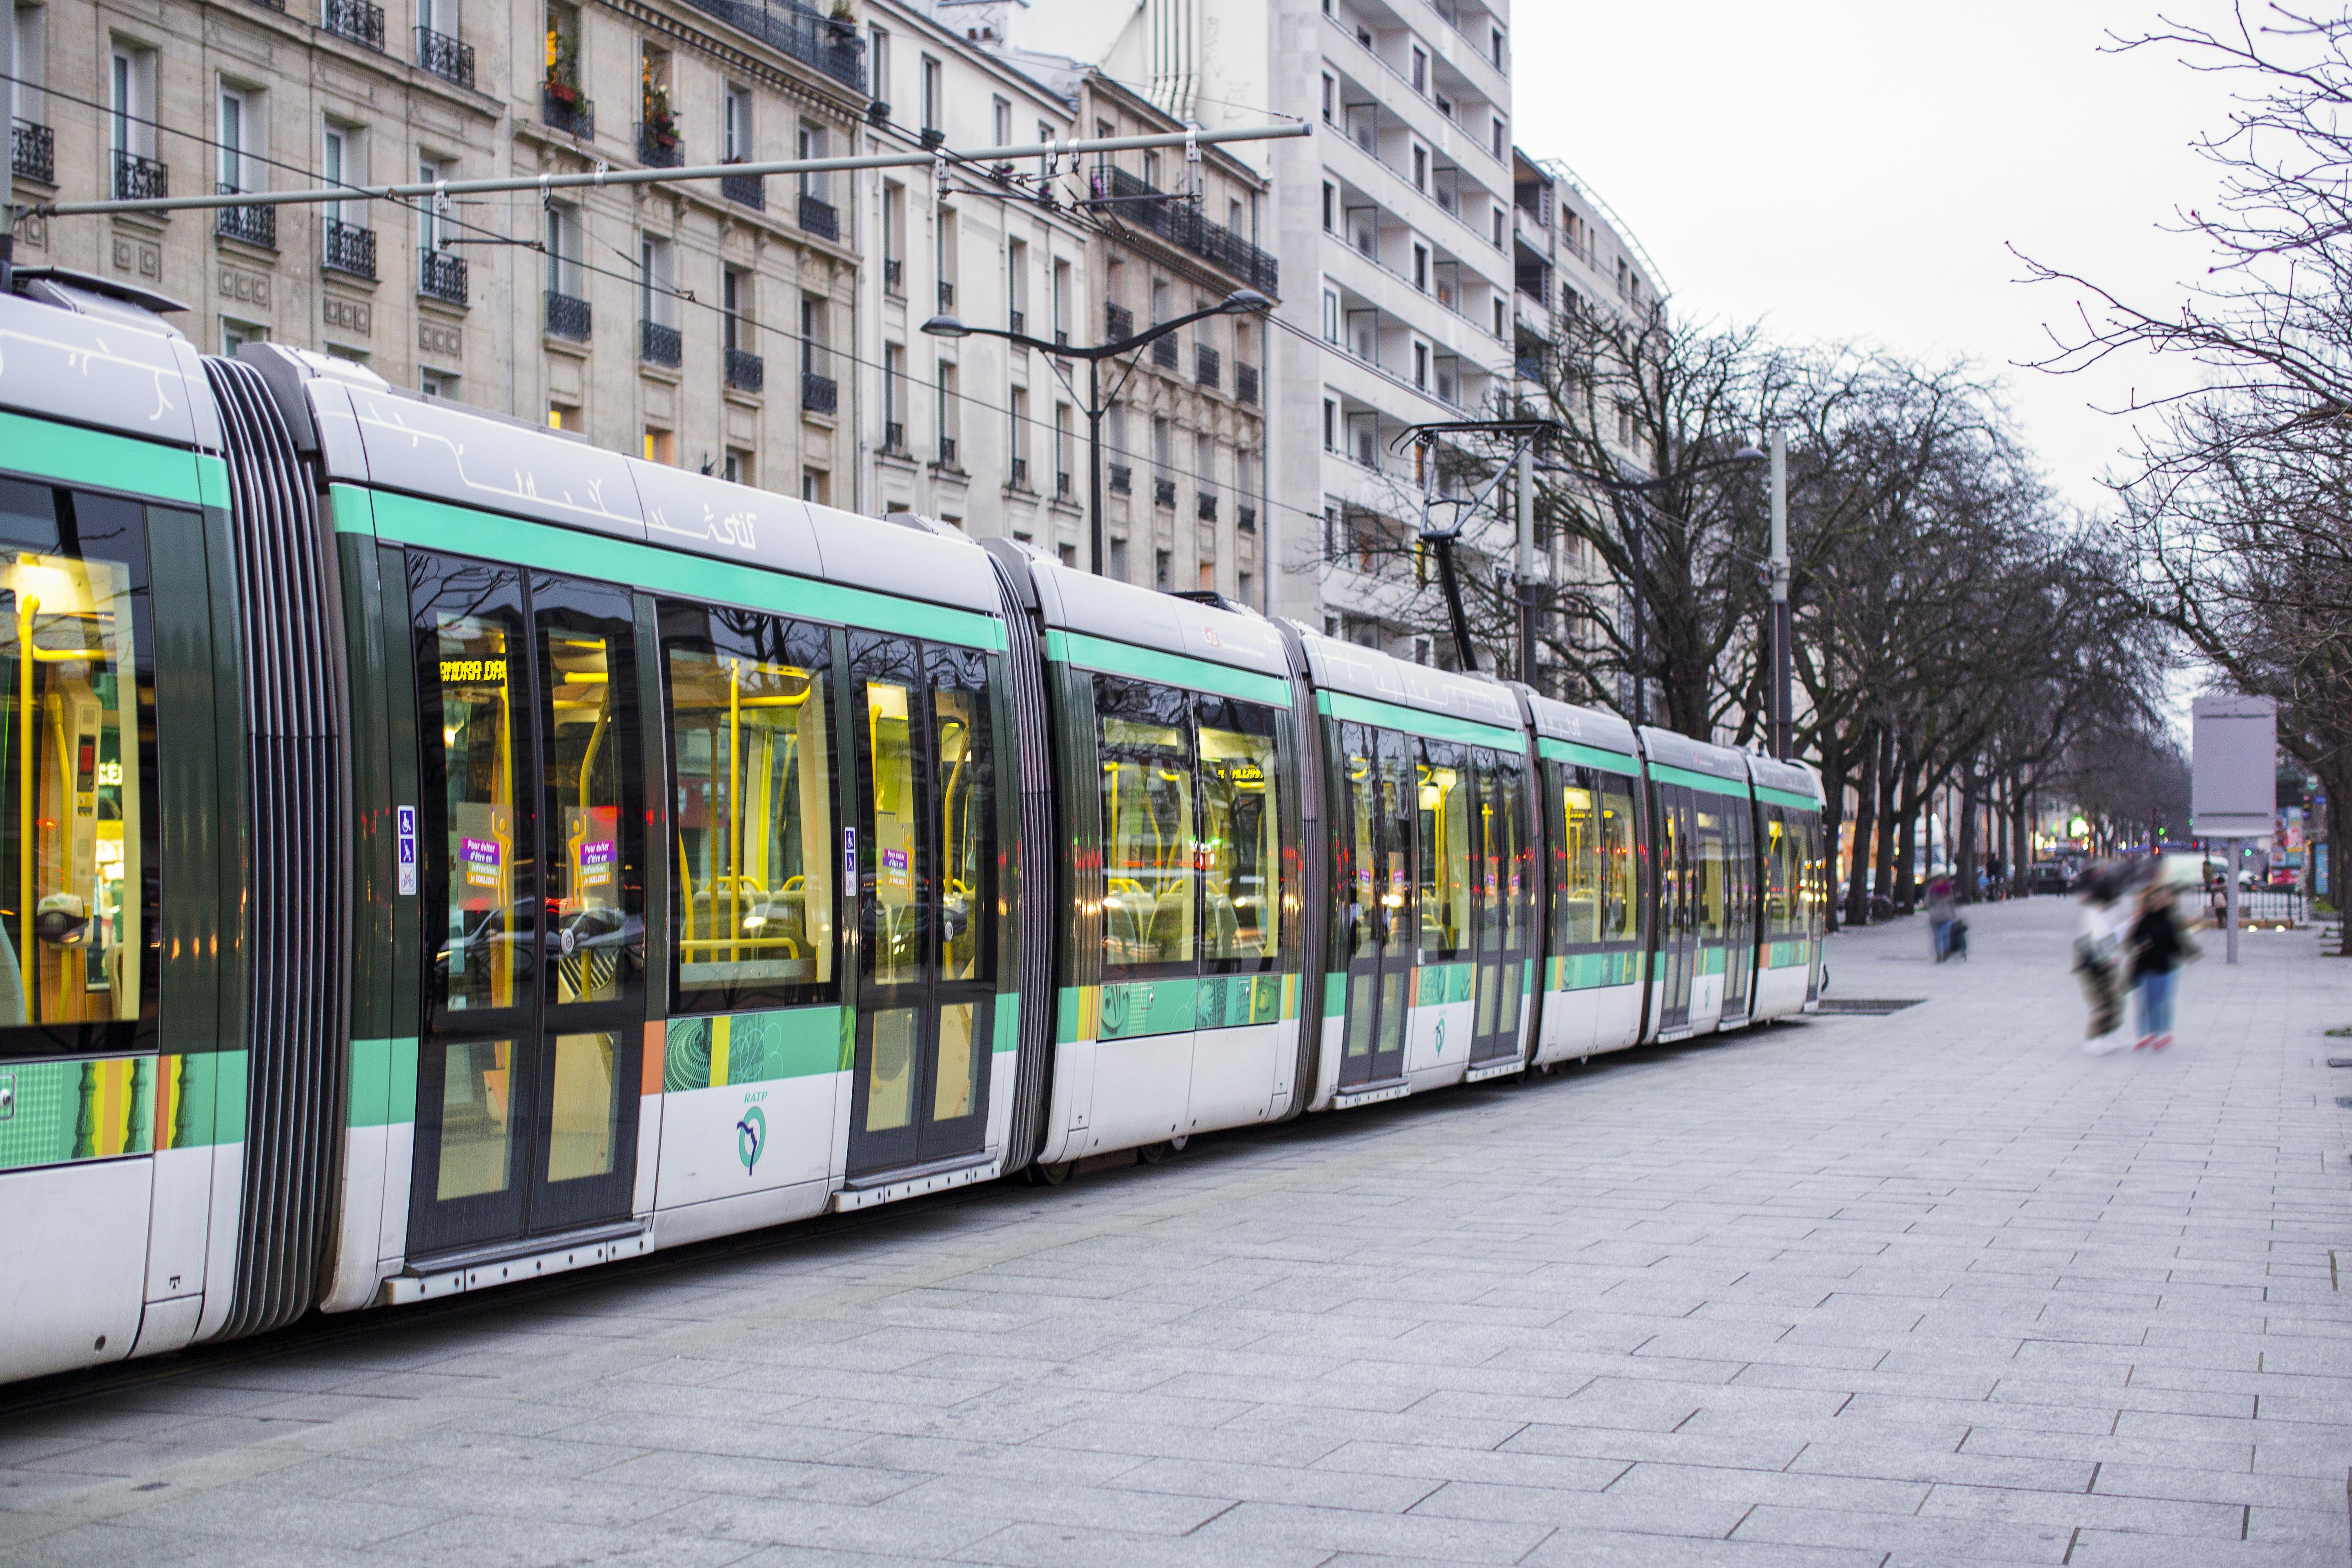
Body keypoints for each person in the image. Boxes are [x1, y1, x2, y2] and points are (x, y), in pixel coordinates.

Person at [2128, 880, 2196, 1049]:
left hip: (2164, 966)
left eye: (2161, 899)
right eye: (2154, 900)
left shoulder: (2169, 920)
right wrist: (2141, 944)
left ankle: (2162, 1033)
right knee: (2147, 1001)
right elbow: (2133, 939)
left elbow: (2176, 943)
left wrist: (2186, 953)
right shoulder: (2144, 919)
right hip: (2145, 965)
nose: (2158, 902)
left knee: (2162, 1000)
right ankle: (2147, 1034)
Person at [2074, 870, 2130, 1050]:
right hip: (2095, 965)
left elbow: (2110, 936)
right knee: (2104, 1002)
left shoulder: (2104, 912)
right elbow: (2094, 940)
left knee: (2113, 1001)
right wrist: (2105, 957)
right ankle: (2096, 1040)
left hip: (2105, 962)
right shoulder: (2094, 913)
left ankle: (2109, 1035)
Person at [1926, 874, 1960, 962]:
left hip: (1946, 916)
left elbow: (1951, 903)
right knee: (1937, 937)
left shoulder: (1948, 890)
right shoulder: (1932, 890)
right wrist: (1932, 912)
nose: (1940, 882)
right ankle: (1939, 955)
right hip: (1935, 918)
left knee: (1945, 936)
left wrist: (1954, 915)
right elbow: (1928, 903)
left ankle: (1945, 953)